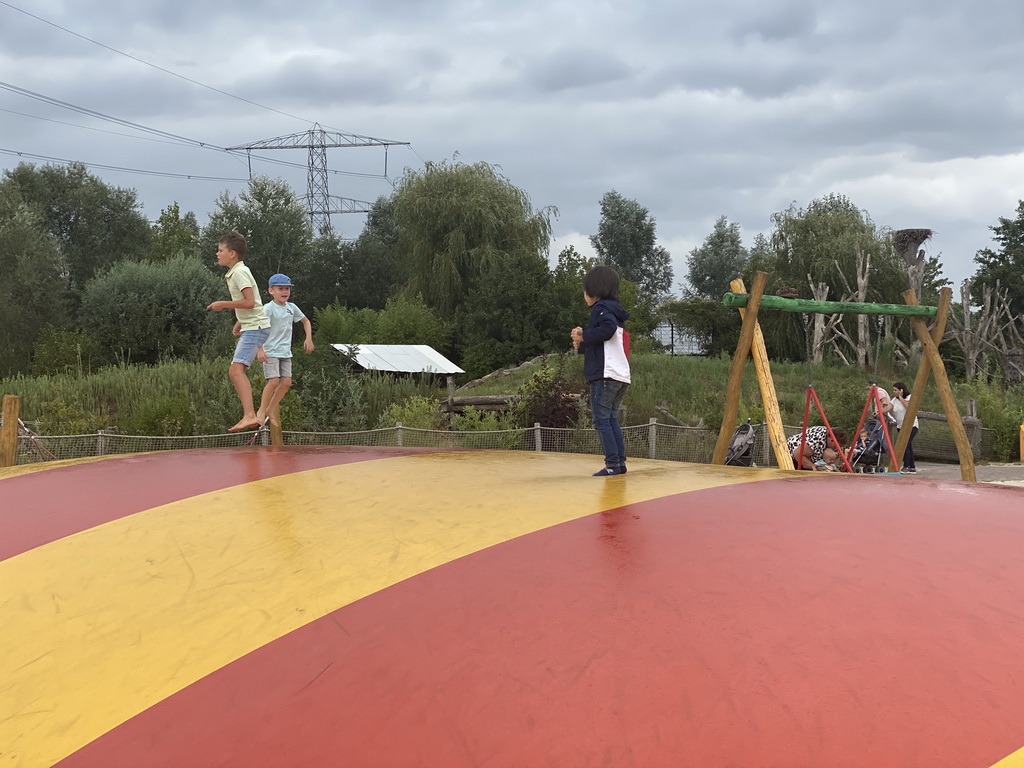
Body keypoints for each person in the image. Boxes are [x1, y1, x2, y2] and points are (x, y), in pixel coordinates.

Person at [206, 231, 271, 432]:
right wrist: (239, 322)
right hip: (252, 326)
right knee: (236, 370)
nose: (217, 254)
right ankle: (249, 414)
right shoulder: (236, 272)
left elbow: (250, 302)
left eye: (220, 250)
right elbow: (252, 303)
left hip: (255, 329)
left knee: (236, 370)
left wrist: (223, 304)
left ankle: (249, 415)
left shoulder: (239, 272)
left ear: (232, 253)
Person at [571, 265, 631, 477]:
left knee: (601, 420)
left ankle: (612, 464)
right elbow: (607, 340)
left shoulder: (601, 309)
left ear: (593, 291)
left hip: (605, 375)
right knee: (611, 418)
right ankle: (619, 463)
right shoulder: (616, 311)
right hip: (620, 375)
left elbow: (607, 330)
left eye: (584, 290)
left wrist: (584, 335)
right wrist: (583, 344)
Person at [254, 273, 315, 426]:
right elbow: (258, 328)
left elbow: (306, 321)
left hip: (285, 352)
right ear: (271, 291)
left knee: (286, 382)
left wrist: (308, 338)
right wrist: (259, 350)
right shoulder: (268, 308)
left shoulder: (292, 307)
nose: (284, 292)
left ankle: (270, 409)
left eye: (287, 289)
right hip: (270, 351)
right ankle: (261, 410)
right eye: (280, 288)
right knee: (273, 381)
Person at [891, 380, 920, 474]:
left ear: (901, 390)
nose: (894, 392)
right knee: (909, 446)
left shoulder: (909, 397)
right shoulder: (894, 400)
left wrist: (901, 397)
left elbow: (909, 406)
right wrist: (880, 411)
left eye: (895, 390)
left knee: (905, 444)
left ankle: (906, 466)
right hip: (900, 426)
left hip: (911, 426)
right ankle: (912, 467)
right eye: (893, 390)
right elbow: (889, 407)